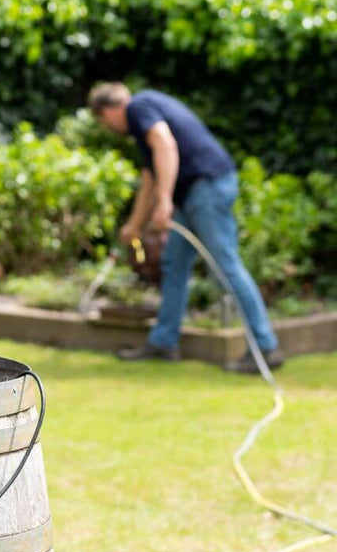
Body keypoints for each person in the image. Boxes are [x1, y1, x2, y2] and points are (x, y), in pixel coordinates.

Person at [88, 82, 283, 373]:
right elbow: (149, 181)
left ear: (109, 111)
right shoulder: (143, 124)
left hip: (206, 188)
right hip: (195, 193)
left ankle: (266, 347)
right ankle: (165, 342)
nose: (108, 127)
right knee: (174, 264)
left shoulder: (139, 107)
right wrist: (134, 226)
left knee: (226, 267)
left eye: (103, 121)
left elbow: (166, 144)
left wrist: (165, 202)